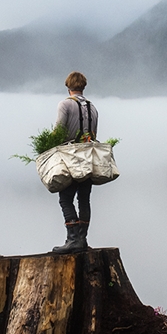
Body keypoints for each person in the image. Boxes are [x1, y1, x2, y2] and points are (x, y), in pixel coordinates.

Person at [51, 71, 99, 254]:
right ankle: (82, 239)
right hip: (88, 158)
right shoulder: (93, 108)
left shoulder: (65, 105)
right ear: (83, 86)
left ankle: (72, 239)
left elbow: (59, 131)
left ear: (68, 86)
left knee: (65, 199)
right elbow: (94, 134)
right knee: (84, 199)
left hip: (70, 158)